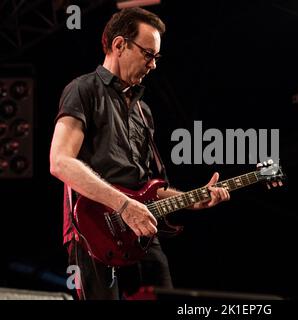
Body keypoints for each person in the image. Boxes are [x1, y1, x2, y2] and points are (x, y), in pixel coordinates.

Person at [49, 8, 230, 300]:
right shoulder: (83, 89)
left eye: (156, 57)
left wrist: (193, 200)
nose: (153, 65)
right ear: (119, 45)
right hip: (91, 229)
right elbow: (60, 161)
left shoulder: (143, 112)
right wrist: (124, 206)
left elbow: (145, 188)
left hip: (141, 232)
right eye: (148, 54)